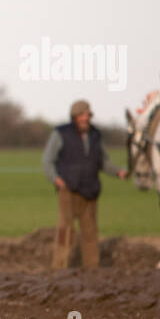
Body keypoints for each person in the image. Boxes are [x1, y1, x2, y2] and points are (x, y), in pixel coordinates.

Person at [41, 99, 129, 269]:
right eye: (81, 115)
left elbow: (103, 162)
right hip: (68, 190)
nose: (85, 118)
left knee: (90, 232)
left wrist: (119, 172)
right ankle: (59, 266)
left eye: (87, 115)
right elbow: (47, 161)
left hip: (91, 190)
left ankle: (91, 268)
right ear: (74, 117)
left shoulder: (95, 135)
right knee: (65, 231)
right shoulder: (61, 133)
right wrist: (56, 179)